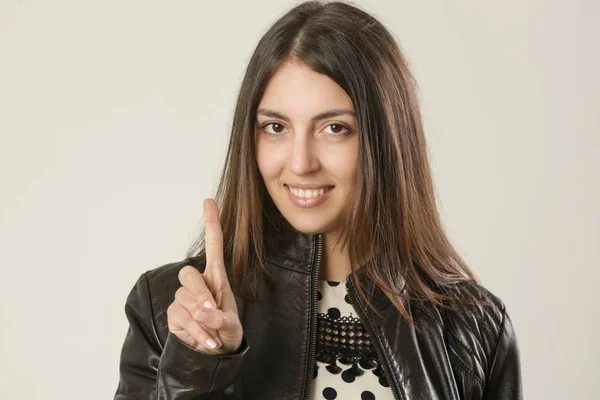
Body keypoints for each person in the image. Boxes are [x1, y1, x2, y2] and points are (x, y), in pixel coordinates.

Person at [114, 1, 522, 399]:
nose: (300, 162)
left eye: (334, 128)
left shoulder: (473, 327)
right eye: (276, 126)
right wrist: (201, 365)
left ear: (386, 139)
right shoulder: (171, 310)